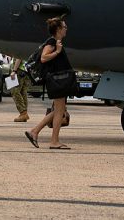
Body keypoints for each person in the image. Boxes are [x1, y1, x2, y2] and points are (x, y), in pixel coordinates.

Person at [25, 16, 73, 150]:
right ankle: (54, 141)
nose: (66, 29)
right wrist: (57, 51)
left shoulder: (55, 41)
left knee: (59, 110)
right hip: (57, 81)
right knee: (59, 111)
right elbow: (44, 57)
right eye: (64, 27)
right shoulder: (52, 42)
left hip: (58, 81)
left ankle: (34, 131)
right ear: (58, 29)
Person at [9, 57, 31, 122]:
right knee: (23, 92)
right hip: (25, 70)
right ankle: (24, 114)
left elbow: (19, 56)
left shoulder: (18, 47)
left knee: (14, 91)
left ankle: (23, 113)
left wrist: (14, 70)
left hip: (19, 70)